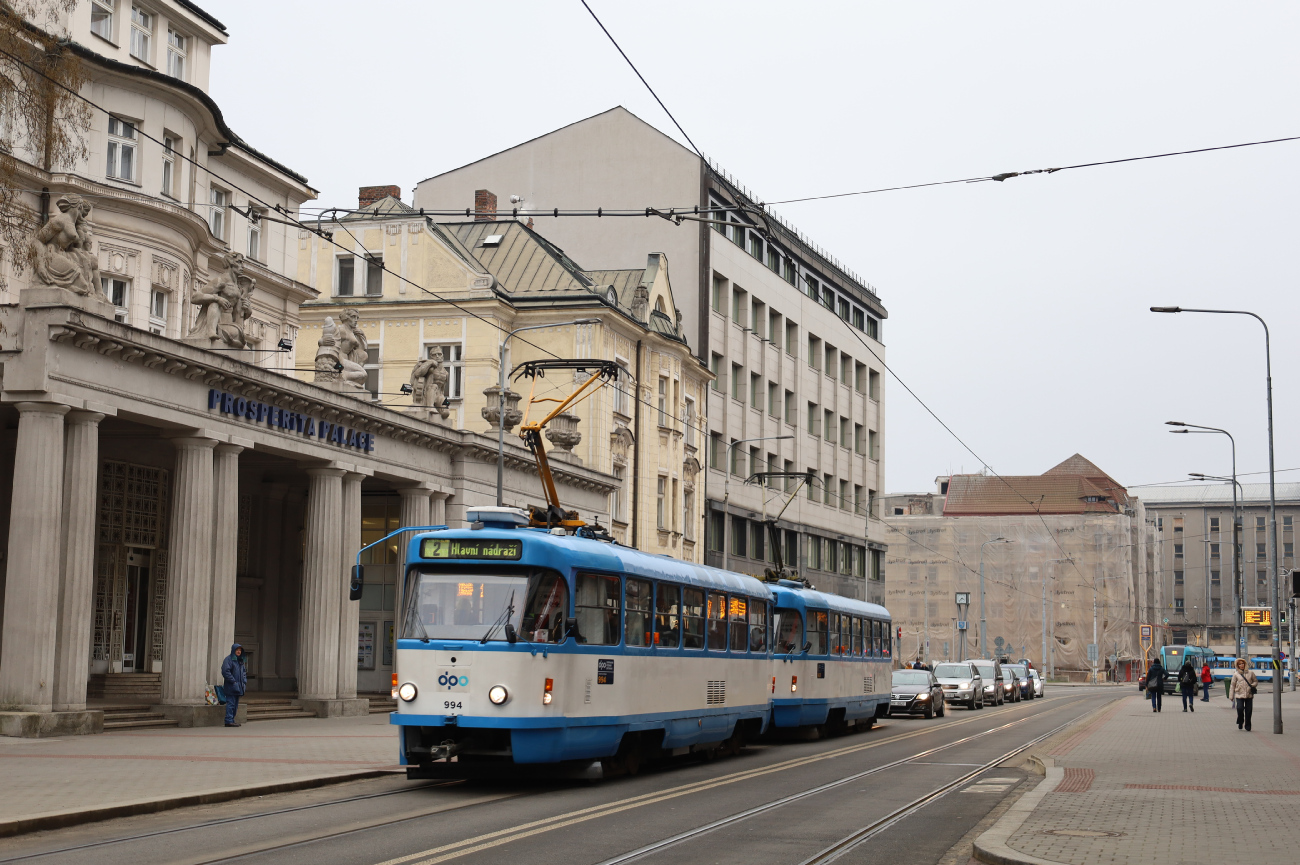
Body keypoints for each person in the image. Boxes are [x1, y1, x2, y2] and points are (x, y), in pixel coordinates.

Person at [220, 643, 246, 727]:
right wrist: (233, 681)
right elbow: (225, 671)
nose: (238, 651)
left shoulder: (240, 661)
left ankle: (231, 719)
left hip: (239, 686)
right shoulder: (229, 659)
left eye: (240, 650)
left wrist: (244, 681)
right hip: (231, 686)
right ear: (233, 650)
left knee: (235, 704)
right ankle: (228, 720)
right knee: (231, 703)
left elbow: (244, 673)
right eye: (237, 650)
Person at [1229, 657, 1259, 731]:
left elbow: (1255, 681)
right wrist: (1231, 695)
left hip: (1249, 694)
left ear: (1245, 664)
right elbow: (1232, 685)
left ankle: (1248, 725)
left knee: (1248, 711)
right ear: (1237, 666)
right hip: (1239, 694)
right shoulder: (1236, 674)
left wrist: (1252, 685)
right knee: (1240, 708)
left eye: (1242, 663)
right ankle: (1240, 721)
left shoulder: (1251, 673)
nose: (1241, 665)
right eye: (1239, 664)